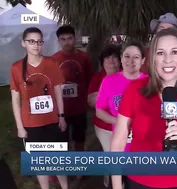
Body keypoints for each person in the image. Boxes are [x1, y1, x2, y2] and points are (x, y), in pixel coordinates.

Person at [111, 28, 177, 189]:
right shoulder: (134, 90)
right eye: (160, 53)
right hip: (138, 181)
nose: (167, 59)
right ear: (153, 60)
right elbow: (117, 145)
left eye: (174, 52)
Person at [10, 27, 68, 189]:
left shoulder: (51, 63)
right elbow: (15, 100)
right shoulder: (16, 68)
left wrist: (61, 116)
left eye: (39, 41)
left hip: (51, 121)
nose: (36, 45)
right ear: (24, 43)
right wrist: (20, 127)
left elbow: (58, 92)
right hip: (31, 124)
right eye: (31, 41)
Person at [52, 25, 93, 156]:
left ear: (75, 39)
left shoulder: (84, 57)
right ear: (58, 41)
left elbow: (90, 79)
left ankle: (80, 165)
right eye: (63, 39)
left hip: (79, 107)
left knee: (79, 138)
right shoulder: (53, 59)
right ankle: (62, 166)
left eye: (69, 38)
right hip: (61, 109)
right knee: (61, 140)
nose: (67, 42)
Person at [87, 44, 121, 187]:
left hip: (125, 125)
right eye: (107, 57)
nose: (111, 60)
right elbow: (91, 101)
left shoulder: (127, 75)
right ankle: (109, 183)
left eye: (114, 57)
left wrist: (103, 97)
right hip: (104, 126)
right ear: (102, 61)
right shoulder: (97, 78)